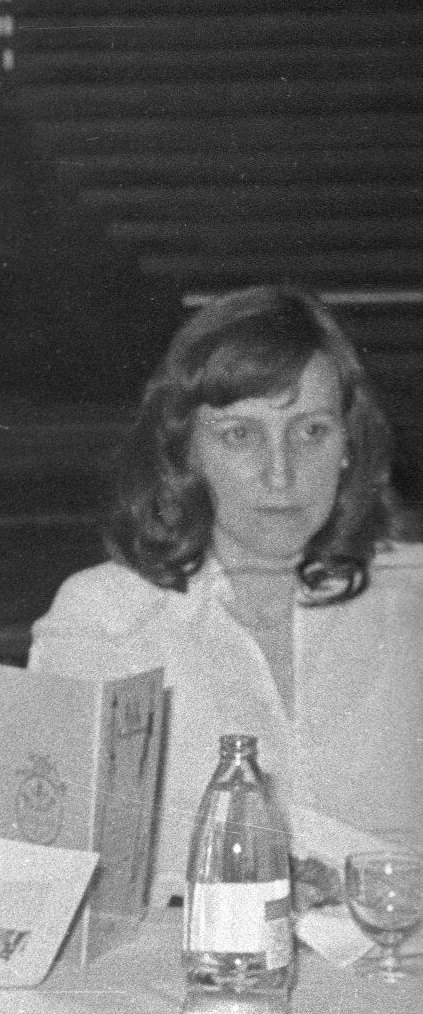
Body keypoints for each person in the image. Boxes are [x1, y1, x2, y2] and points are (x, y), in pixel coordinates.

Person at [29, 286, 420, 898]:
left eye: (312, 432)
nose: (281, 473)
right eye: (241, 436)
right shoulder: (103, 618)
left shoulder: (413, 599)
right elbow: (59, 877)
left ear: (350, 446)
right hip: (188, 972)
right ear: (188, 451)